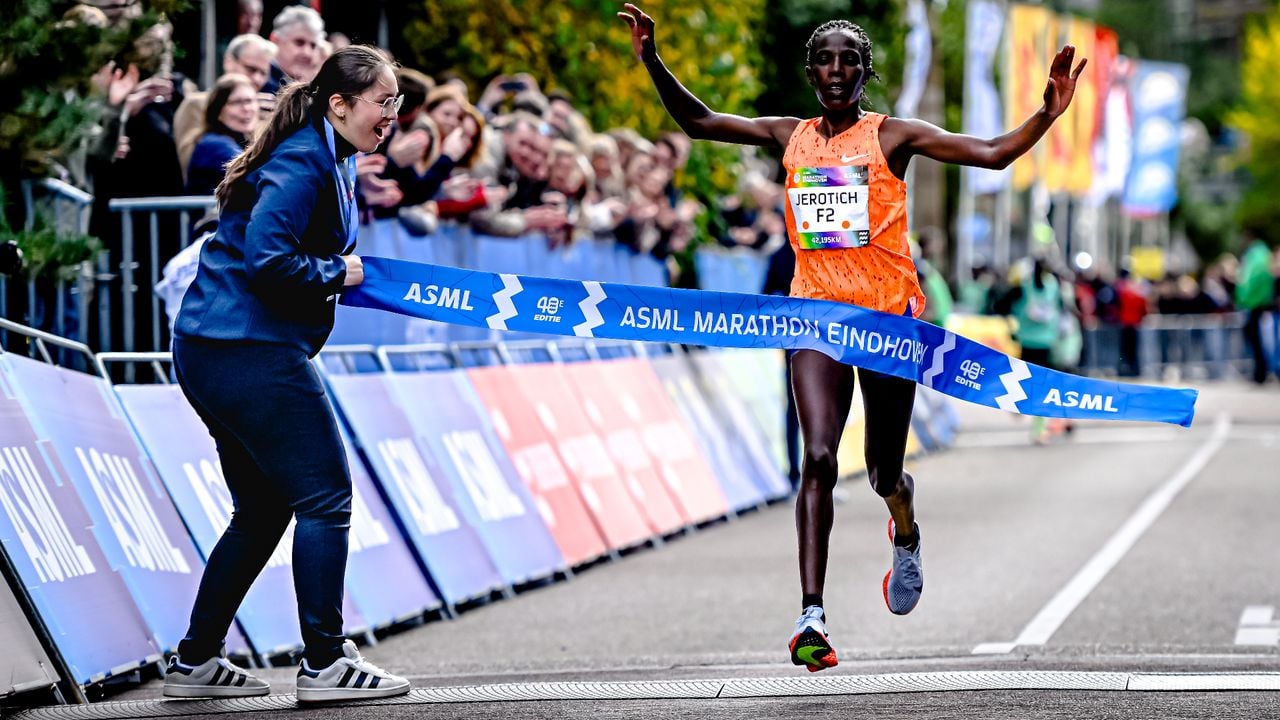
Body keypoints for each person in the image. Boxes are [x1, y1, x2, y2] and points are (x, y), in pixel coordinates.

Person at [619, 3, 1085, 672]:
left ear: (864, 75)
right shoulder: (790, 137)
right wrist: (654, 62)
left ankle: (905, 524)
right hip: (814, 318)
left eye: (849, 60)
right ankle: (812, 615)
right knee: (817, 457)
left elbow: (990, 154)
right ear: (812, 74)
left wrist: (1046, 113)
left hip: (888, 324)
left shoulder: (894, 137)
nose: (837, 69)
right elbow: (699, 121)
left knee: (883, 472)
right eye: (826, 60)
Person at [162, 46, 410, 703]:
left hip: (216, 347)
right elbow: (269, 261)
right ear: (339, 104)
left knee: (263, 508)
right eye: (383, 101)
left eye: (396, 103)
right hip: (248, 349)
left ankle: (193, 666)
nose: (392, 114)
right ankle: (324, 664)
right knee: (325, 498)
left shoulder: (330, 155)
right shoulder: (304, 160)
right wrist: (339, 274)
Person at [185, 74, 258, 196]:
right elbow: (252, 172)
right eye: (237, 102)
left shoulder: (242, 140)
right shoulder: (212, 144)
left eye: (249, 101)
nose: (246, 108)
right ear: (218, 111)